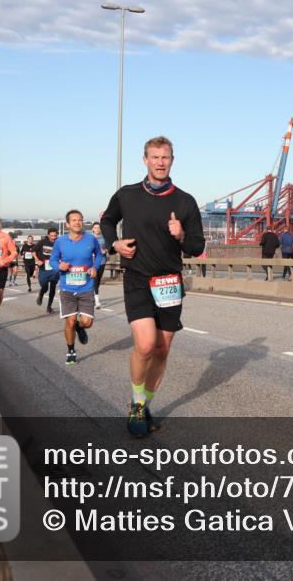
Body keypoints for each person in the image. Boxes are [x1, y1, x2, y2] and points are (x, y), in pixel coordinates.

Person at [100, 135, 205, 438]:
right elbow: (107, 222)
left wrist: (182, 234)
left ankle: (146, 404)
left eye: (166, 157)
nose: (160, 162)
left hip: (170, 282)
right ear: (145, 160)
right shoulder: (127, 194)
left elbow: (197, 247)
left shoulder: (185, 201)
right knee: (145, 344)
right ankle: (135, 404)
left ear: (173, 160)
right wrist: (115, 243)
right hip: (137, 278)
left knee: (162, 349)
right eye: (155, 157)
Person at [52, 210, 103, 366]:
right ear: (67, 224)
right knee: (70, 321)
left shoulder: (90, 239)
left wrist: (95, 266)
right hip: (67, 288)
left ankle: (81, 328)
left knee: (87, 322)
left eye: (80, 220)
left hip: (86, 287)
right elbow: (53, 260)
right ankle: (71, 350)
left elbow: (99, 255)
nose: (77, 222)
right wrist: (59, 266)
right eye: (74, 220)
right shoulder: (60, 241)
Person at [35, 227, 60, 313]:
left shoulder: (59, 243)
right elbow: (34, 251)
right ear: (48, 235)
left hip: (55, 269)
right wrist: (37, 260)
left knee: (53, 288)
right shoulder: (42, 242)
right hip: (44, 268)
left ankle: (49, 307)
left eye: (55, 235)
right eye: (52, 235)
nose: (53, 237)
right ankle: (41, 294)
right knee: (44, 286)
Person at [91, 223, 107, 308]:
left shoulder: (103, 238)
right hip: (92, 262)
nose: (97, 229)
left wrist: (105, 251)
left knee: (98, 281)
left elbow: (108, 247)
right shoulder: (89, 238)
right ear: (92, 229)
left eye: (98, 227)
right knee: (95, 280)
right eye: (95, 227)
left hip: (102, 261)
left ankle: (93, 296)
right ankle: (97, 301)